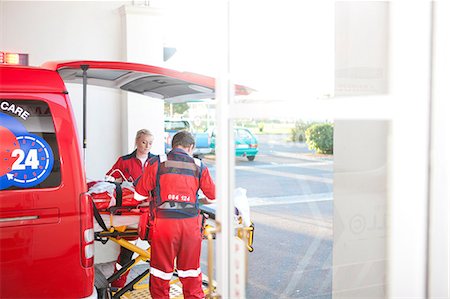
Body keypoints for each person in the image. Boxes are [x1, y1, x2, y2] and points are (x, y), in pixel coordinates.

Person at [134, 130, 216, 299]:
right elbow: (213, 195)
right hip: (191, 226)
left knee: (161, 273)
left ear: (172, 145)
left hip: (164, 225)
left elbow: (139, 194)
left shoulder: (157, 162)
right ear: (191, 147)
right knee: (190, 272)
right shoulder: (199, 166)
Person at [106, 128, 155, 288]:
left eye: (150, 143)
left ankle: (159, 286)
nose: (147, 146)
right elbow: (108, 178)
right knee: (126, 253)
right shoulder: (124, 161)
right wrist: (119, 182)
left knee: (159, 251)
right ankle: (117, 285)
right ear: (136, 141)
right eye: (143, 142)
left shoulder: (157, 161)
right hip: (130, 213)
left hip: (151, 213)